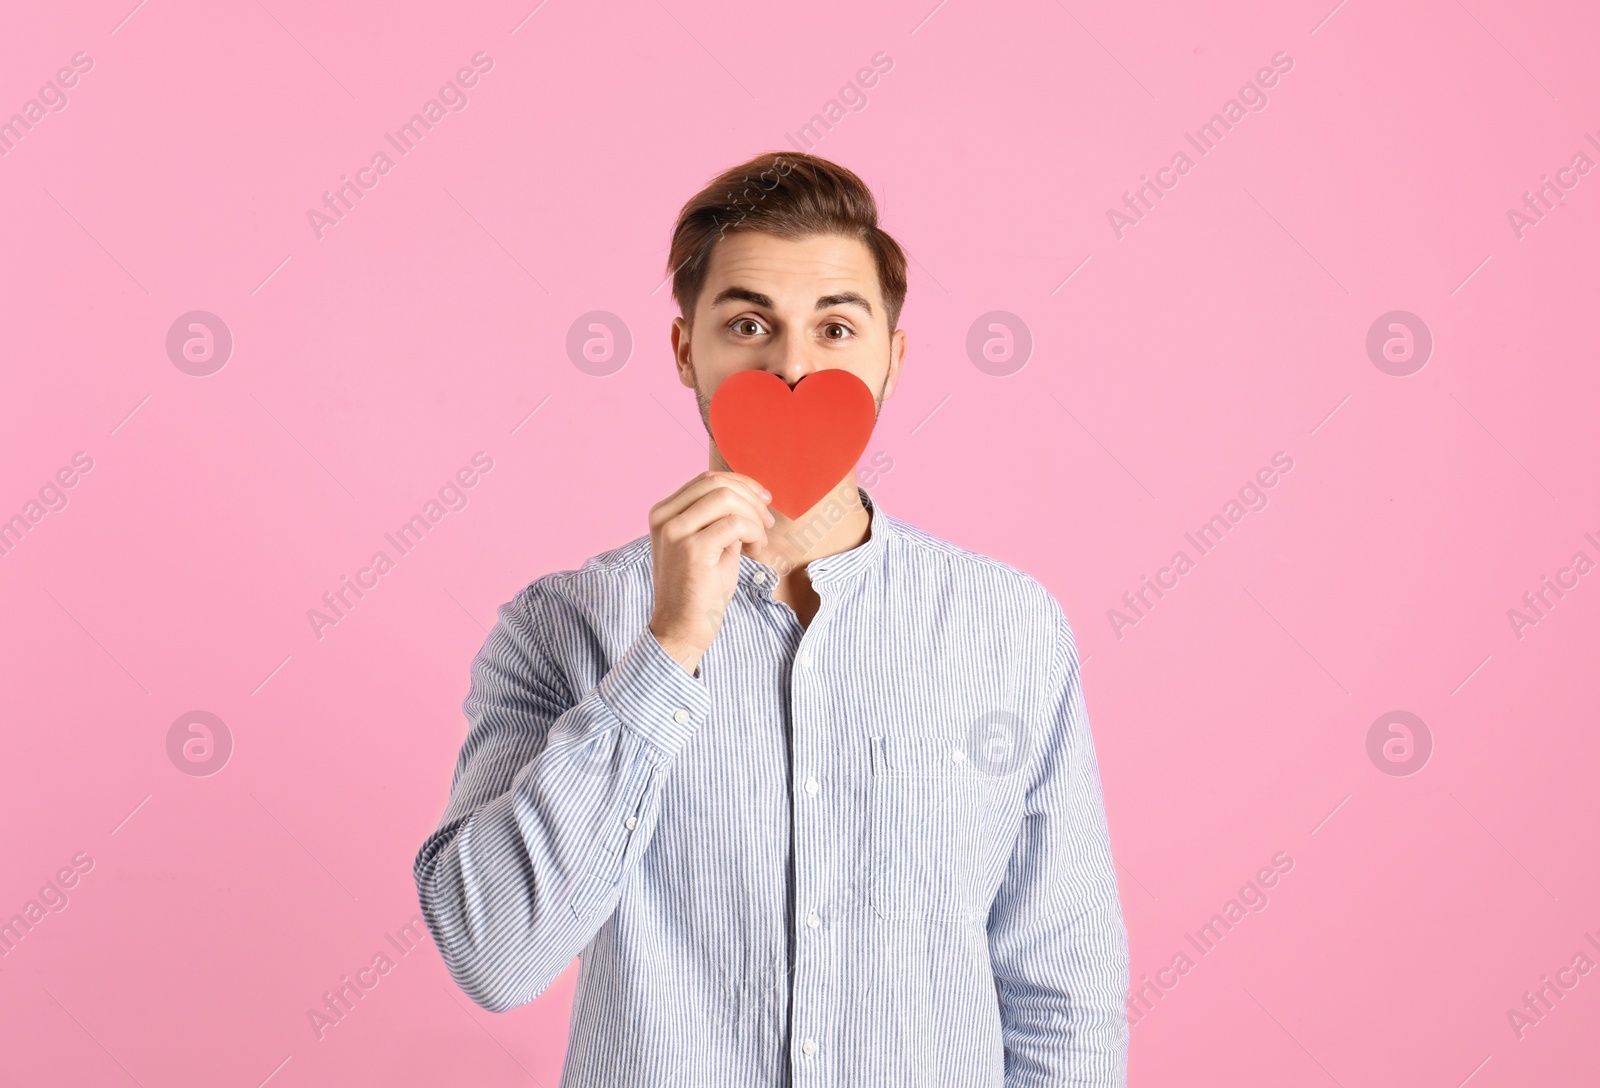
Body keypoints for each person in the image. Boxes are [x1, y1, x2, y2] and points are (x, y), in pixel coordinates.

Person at [413, 151, 1129, 1086]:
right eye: (748, 323)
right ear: (685, 352)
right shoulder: (561, 629)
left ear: (893, 359)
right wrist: (667, 655)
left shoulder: (1010, 628)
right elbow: (497, 957)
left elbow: (1062, 987)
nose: (793, 364)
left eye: (836, 326)